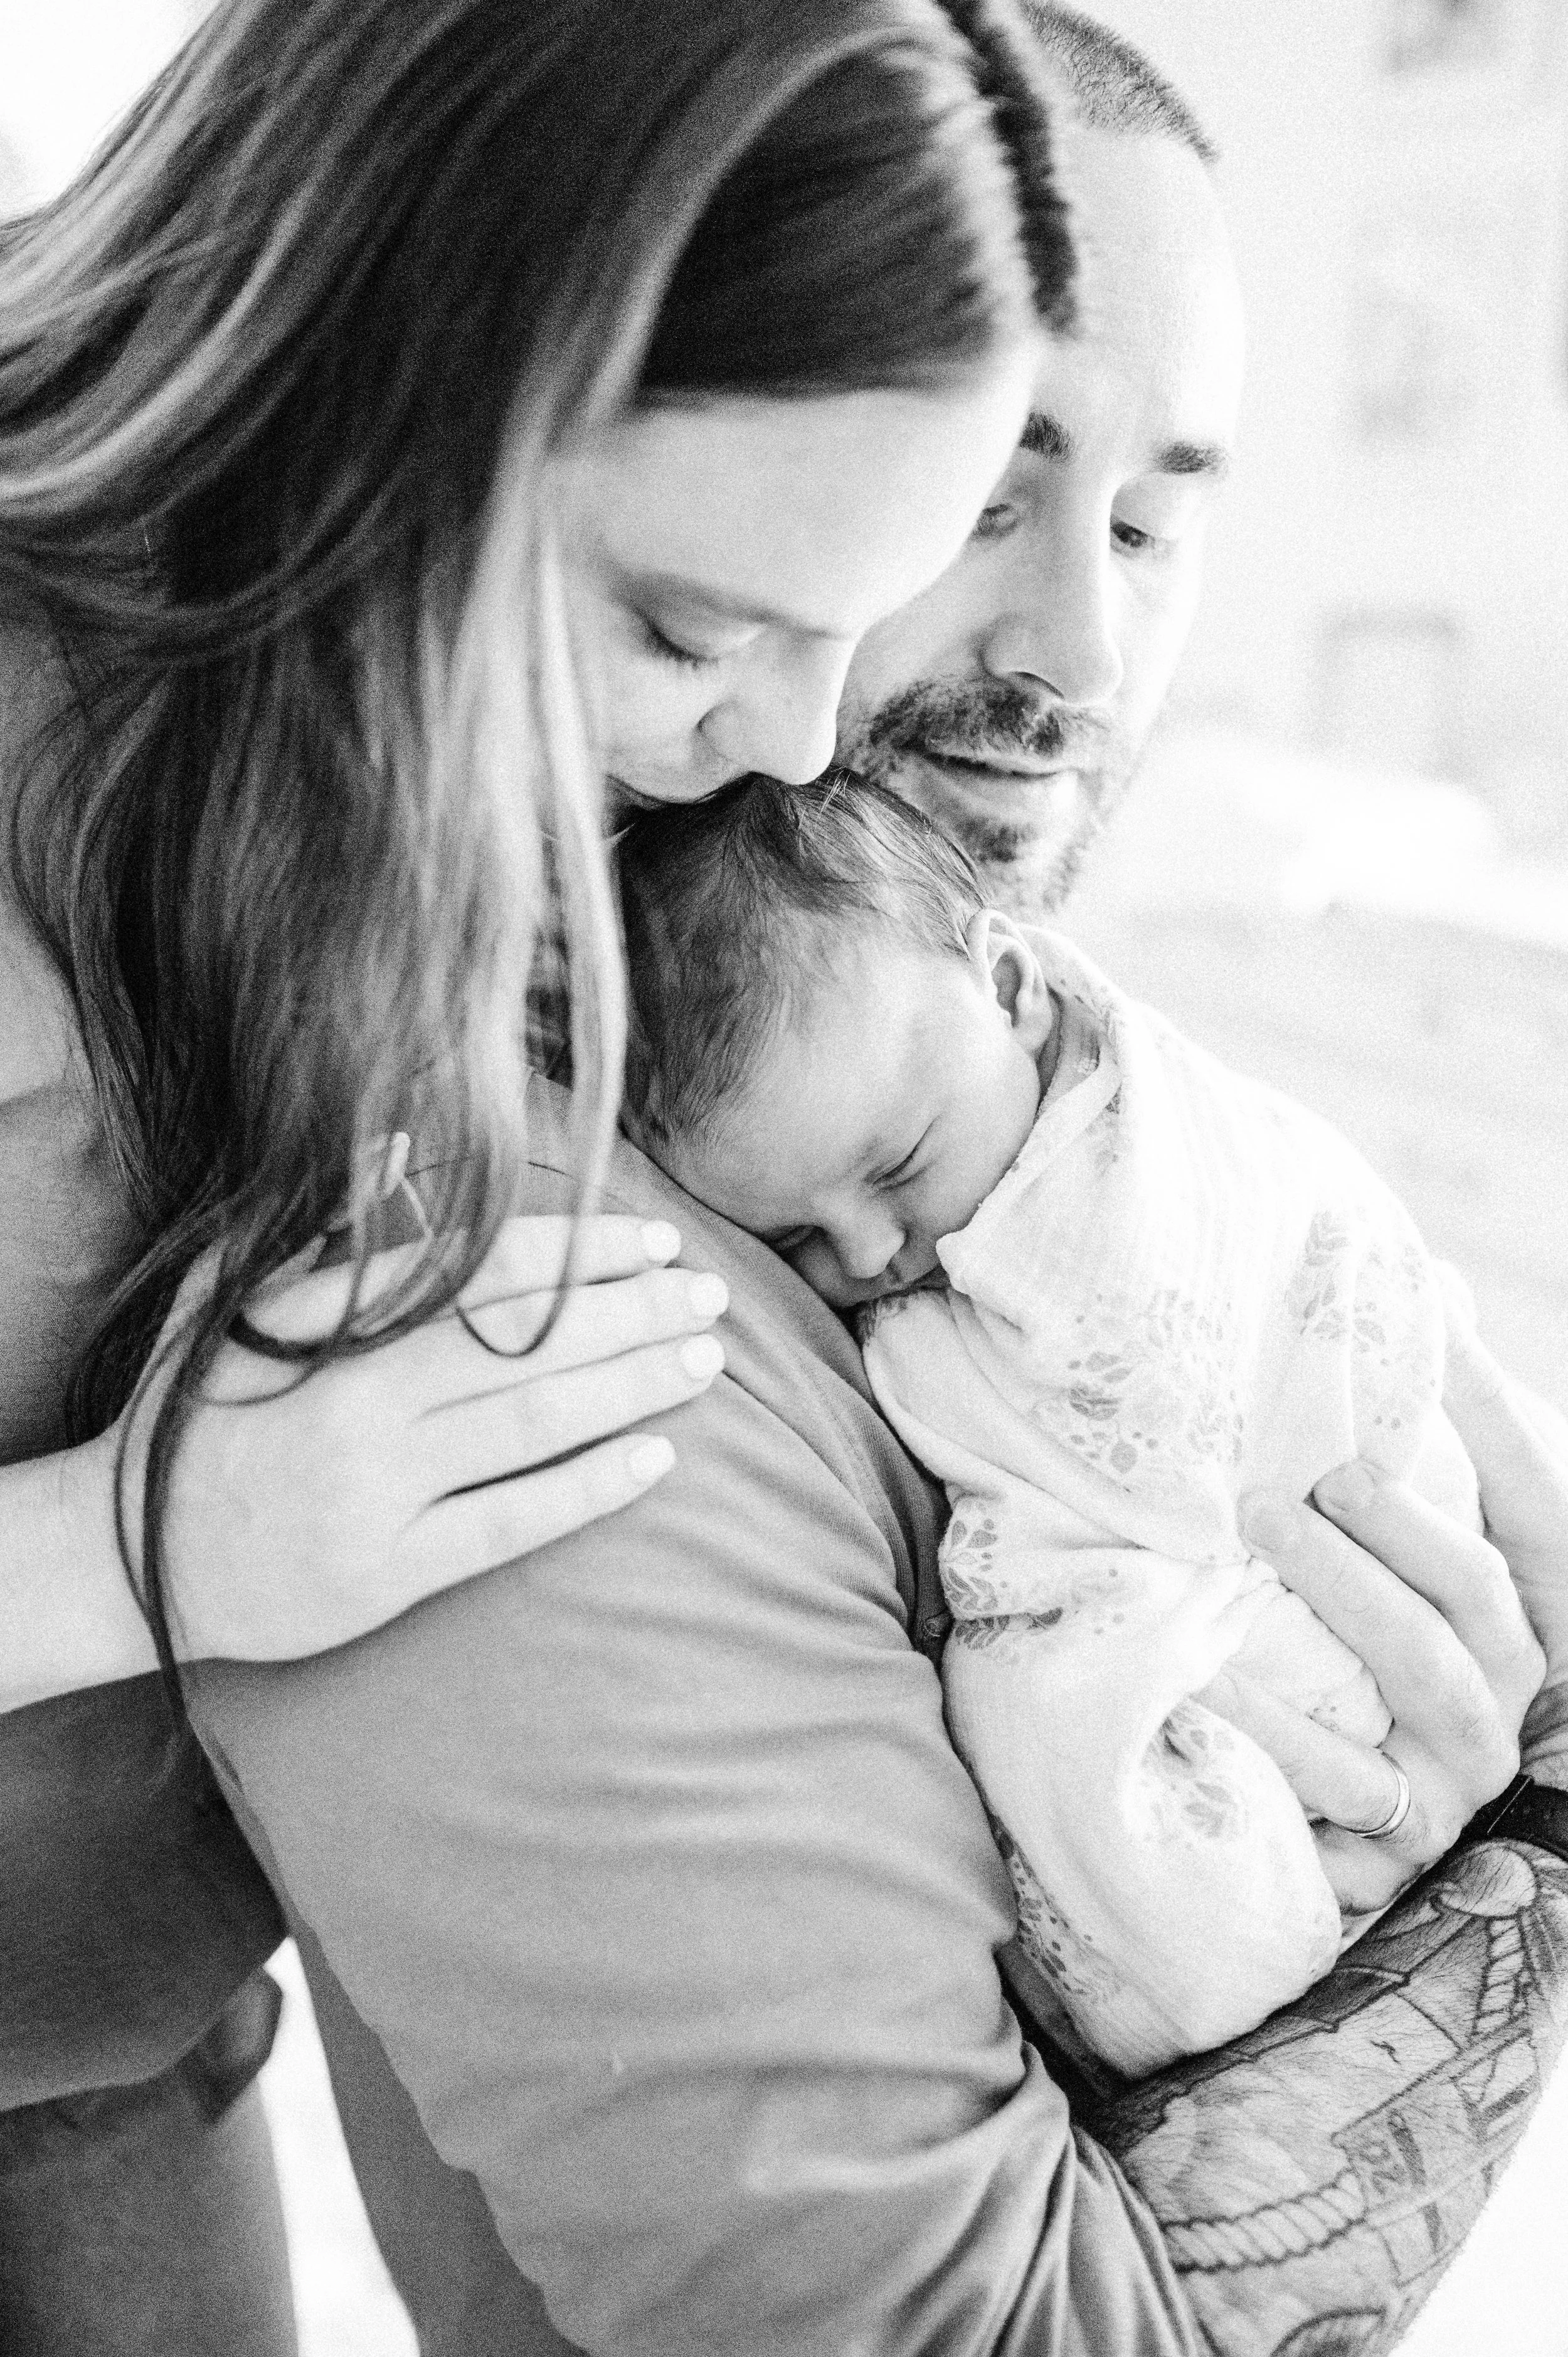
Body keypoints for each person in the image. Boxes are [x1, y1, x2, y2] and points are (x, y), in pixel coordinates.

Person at [188, 16, 1568, 2357]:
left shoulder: (1104, 1108)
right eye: (981, 500)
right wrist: (1516, 1874)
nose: (1082, 650)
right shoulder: (545, 1312)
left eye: (1150, 521)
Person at [0, 0, 1069, 2347]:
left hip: (115, 2016)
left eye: (844, 627)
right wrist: (137, 1547)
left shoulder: (519, 753)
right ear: (367, 393)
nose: (786, 738)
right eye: (690, 625)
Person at [616, 772, 1496, 2080]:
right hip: (1371, 1718)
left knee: (1054, 1701)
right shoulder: (906, 1133)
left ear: (1016, 991)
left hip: (1296, 1549)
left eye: (901, 1163)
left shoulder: (1142, 1160)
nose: (870, 1254)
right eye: (791, 1238)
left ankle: (1185, 1970)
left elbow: (1191, 1394)